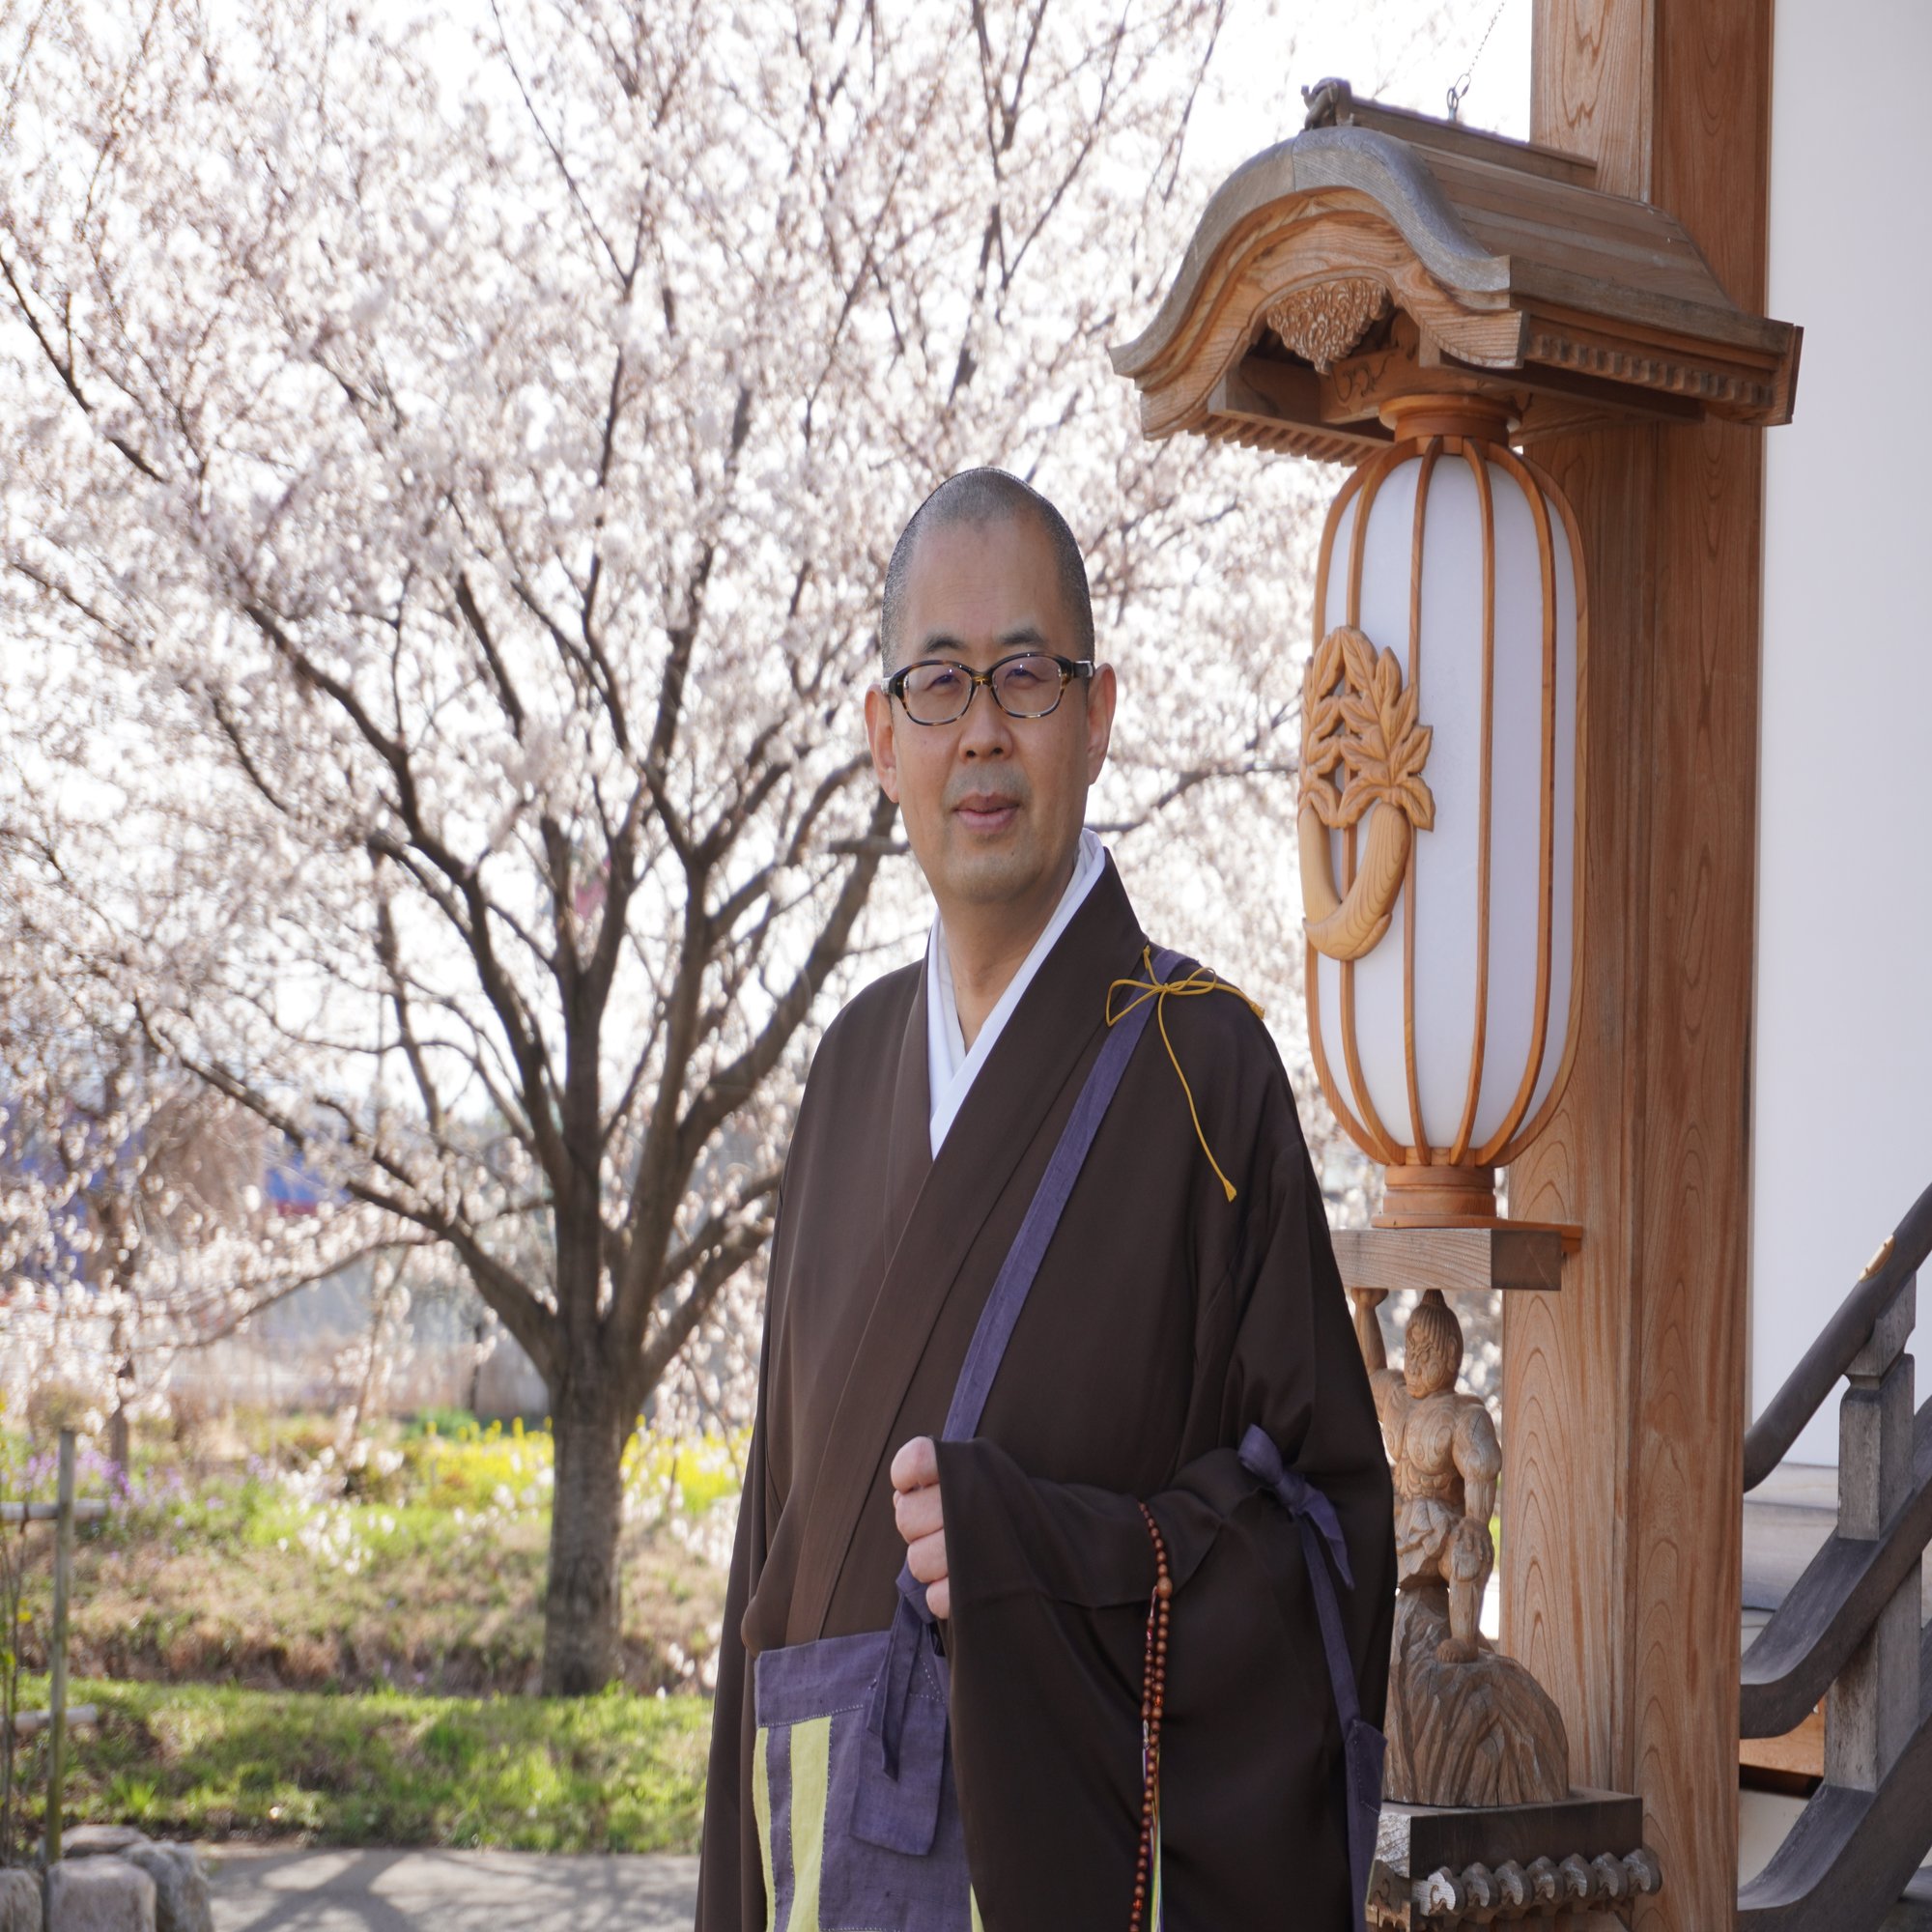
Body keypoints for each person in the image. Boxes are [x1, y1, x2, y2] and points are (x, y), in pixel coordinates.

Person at [696, 468, 1395, 1931]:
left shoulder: (1208, 1073)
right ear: (883, 737)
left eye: (1027, 675)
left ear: (1098, 711)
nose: (984, 731)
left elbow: (1325, 1540)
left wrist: (1047, 1558)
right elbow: (773, 1550)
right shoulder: (846, 1073)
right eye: (939, 684)